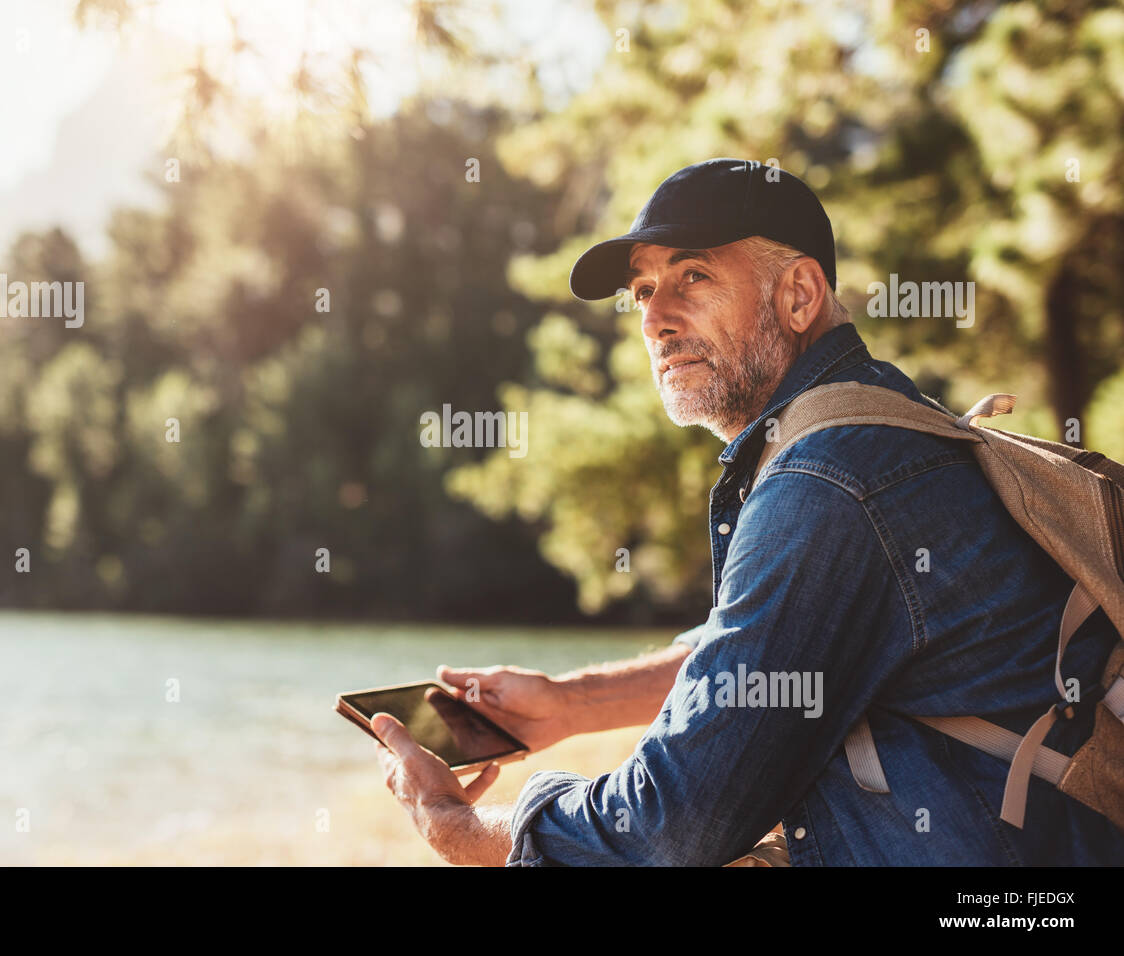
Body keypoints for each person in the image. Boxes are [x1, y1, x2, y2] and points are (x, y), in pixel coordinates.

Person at [371, 158, 1124, 866]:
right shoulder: (878, 425)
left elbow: (673, 824)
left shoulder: (828, 481)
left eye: (691, 276)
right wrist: (571, 704)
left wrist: (462, 828)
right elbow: (770, 646)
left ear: (798, 295)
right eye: (641, 292)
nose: (654, 319)